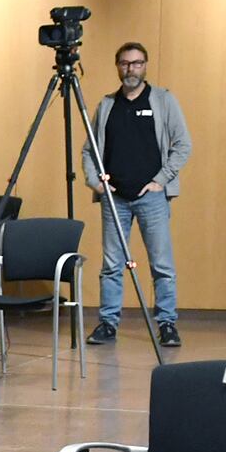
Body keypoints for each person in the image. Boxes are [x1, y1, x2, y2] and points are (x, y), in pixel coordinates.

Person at [84, 41, 191, 348]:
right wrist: (96, 182)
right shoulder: (106, 105)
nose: (131, 69)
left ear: (146, 66)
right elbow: (89, 150)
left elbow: (183, 145)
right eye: (125, 63)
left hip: (151, 198)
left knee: (162, 264)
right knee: (111, 265)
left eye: (137, 63)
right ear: (117, 66)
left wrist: (161, 179)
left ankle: (167, 323)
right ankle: (108, 323)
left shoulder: (163, 100)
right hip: (114, 198)